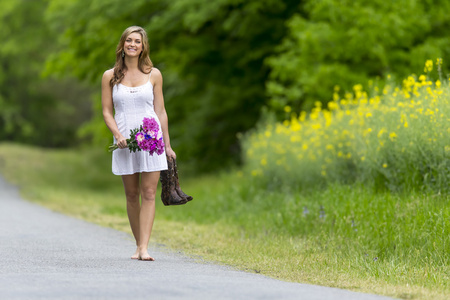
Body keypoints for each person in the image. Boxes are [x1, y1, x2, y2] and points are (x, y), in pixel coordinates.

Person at [101, 26, 176, 261]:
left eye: (138, 41)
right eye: (129, 40)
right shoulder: (109, 76)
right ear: (122, 44)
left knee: (150, 192)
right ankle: (137, 244)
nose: (133, 44)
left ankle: (144, 248)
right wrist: (117, 134)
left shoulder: (154, 74)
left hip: (151, 139)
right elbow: (106, 111)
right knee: (132, 194)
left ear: (143, 47)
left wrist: (168, 145)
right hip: (125, 142)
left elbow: (161, 111)